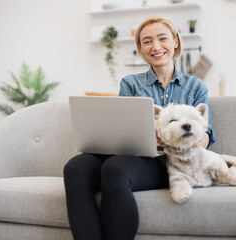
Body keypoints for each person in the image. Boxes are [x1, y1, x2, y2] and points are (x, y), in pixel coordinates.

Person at [63, 15, 215, 240]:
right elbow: (124, 128)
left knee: (115, 168)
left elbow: (205, 136)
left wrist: (173, 140)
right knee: (76, 167)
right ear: (141, 48)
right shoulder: (130, 84)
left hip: (170, 161)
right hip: (133, 153)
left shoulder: (195, 87)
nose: (155, 46)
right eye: (147, 41)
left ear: (175, 41)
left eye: (162, 38)